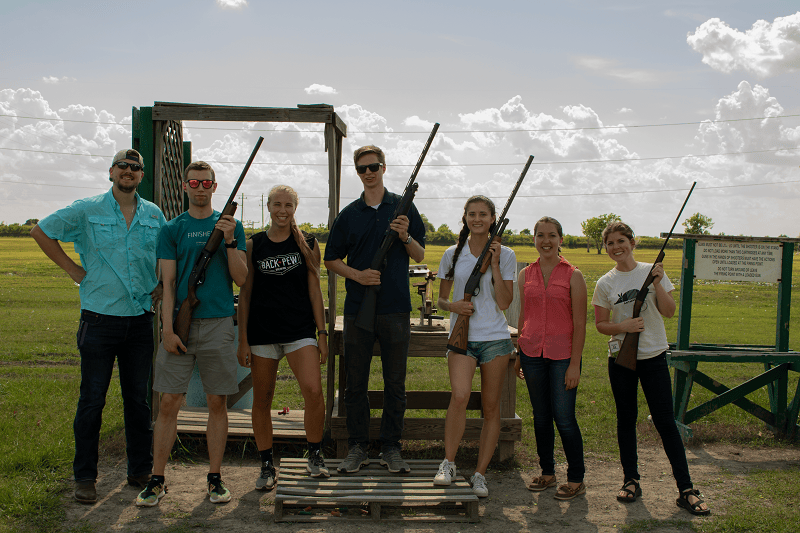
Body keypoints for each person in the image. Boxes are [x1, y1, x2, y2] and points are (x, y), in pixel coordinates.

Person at [30, 149, 166, 504]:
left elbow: (165, 256)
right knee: (92, 401)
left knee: (138, 401)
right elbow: (41, 231)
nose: (129, 171)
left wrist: (162, 285)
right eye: (123, 166)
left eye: (136, 168)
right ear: (111, 171)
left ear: (141, 175)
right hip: (99, 319)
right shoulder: (86, 208)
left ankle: (139, 470)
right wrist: (72, 269)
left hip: (139, 321)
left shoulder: (153, 214)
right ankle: (85, 477)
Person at [136, 161, 247, 507]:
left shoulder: (232, 226)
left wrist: (229, 241)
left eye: (207, 183)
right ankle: (157, 479)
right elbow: (168, 284)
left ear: (215, 188)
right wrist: (167, 329)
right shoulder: (172, 229)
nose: (200, 187)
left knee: (217, 401)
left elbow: (242, 279)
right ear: (185, 187)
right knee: (168, 402)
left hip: (218, 324)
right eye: (194, 182)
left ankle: (215, 478)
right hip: (179, 325)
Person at [592, 221, 710, 516]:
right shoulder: (605, 282)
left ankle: (686, 489)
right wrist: (624, 326)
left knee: (666, 423)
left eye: (621, 241)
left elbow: (669, 312)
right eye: (610, 243)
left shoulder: (652, 271)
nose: (616, 247)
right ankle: (630, 480)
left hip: (654, 357)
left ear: (633, 242)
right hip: (621, 361)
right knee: (626, 420)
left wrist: (657, 282)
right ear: (606, 247)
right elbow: (601, 324)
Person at [323, 145, 426, 474]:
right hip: (357, 309)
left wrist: (405, 235)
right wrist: (358, 275)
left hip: (396, 309)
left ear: (384, 167)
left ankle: (392, 447)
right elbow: (330, 259)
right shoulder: (349, 214)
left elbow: (421, 255)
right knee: (355, 383)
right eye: (363, 168)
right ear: (358, 172)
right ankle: (357, 447)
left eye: (374, 166)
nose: (369, 172)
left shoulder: (404, 208)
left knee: (395, 383)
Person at [237, 185, 329, 489]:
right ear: (268, 206)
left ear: (296, 207)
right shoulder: (255, 245)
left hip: (299, 331)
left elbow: (315, 291)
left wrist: (322, 332)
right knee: (262, 400)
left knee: (314, 393)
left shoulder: (308, 243)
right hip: (263, 333)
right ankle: (266, 464)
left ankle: (314, 454)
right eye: (277, 204)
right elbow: (246, 294)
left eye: (288, 205)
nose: (282, 210)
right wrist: (243, 339)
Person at [432, 195, 516, 498]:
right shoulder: (452, 254)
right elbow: (441, 300)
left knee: (492, 407)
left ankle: (480, 474)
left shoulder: (505, 254)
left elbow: (505, 302)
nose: (477, 219)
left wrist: (493, 264)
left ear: (493, 219)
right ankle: (448, 463)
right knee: (460, 396)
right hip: (462, 337)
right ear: (465, 218)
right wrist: (454, 304)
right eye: (472, 214)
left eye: (483, 214)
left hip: (495, 338)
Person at [514, 216, 587, 500]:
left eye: (552, 235)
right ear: (534, 239)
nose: (546, 241)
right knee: (541, 417)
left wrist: (574, 365)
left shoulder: (573, 275)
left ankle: (576, 478)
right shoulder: (525, 275)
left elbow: (580, 324)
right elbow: (523, 316)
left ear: (560, 239)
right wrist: (520, 353)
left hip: (562, 357)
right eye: (540, 235)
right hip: (531, 353)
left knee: (564, 417)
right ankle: (547, 472)